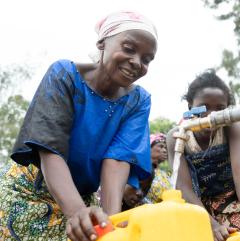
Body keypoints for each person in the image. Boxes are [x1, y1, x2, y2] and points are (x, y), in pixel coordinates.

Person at [0, 11, 157, 241]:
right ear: (102, 43)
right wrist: (76, 213)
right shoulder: (65, 76)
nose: (137, 62)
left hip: (82, 201)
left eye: (146, 59)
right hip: (28, 193)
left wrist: (109, 222)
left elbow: (118, 160)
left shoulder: (138, 101)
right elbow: (50, 149)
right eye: (129, 48)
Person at [166, 70, 240, 241]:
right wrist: (211, 224)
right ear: (190, 106)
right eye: (204, 107)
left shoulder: (231, 127)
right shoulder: (177, 137)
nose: (211, 115)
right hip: (199, 206)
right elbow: (183, 187)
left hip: (235, 200)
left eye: (220, 108)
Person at [122, 133, 171, 209]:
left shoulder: (165, 175)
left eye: (166, 148)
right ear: (149, 146)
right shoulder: (134, 166)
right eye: (161, 146)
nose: (165, 151)